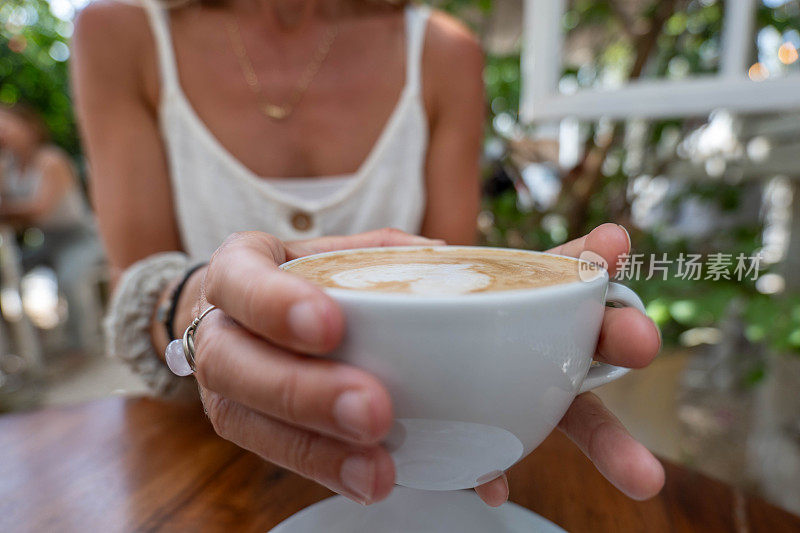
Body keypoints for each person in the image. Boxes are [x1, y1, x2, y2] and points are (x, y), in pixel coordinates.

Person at [72, 0, 664, 508]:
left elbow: (444, 268)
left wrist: (528, 345)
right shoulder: (121, 32)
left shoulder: (442, 50)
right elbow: (138, 281)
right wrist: (198, 308)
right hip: (203, 463)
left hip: (409, 452)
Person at [0, 104, 103, 354]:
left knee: (70, 279)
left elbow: (38, 210)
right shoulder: (9, 167)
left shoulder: (50, 160)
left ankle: (85, 346)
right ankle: (18, 349)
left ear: (28, 127)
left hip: (79, 237)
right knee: (7, 275)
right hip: (46, 241)